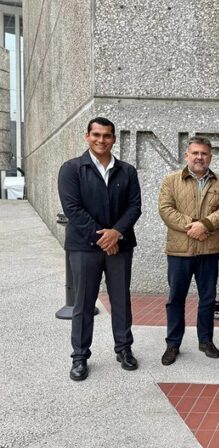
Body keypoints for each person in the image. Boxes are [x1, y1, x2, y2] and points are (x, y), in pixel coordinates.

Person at [58, 117, 142, 381]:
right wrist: (104, 239)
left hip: (120, 245)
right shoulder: (72, 169)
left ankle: (124, 349)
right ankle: (80, 356)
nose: (101, 140)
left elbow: (134, 207)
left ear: (114, 139)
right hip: (84, 247)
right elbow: (73, 209)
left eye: (107, 135)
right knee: (83, 303)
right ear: (87, 136)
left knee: (121, 299)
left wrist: (116, 233)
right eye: (96, 135)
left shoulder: (127, 171)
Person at [158, 136, 219, 365]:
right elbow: (166, 209)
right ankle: (173, 344)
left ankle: (206, 340)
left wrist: (206, 224)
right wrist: (194, 225)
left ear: (210, 156)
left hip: (209, 250)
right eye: (195, 153)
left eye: (204, 153)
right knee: (176, 298)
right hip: (180, 251)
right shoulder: (171, 180)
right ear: (187, 155)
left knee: (208, 298)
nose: (200, 157)